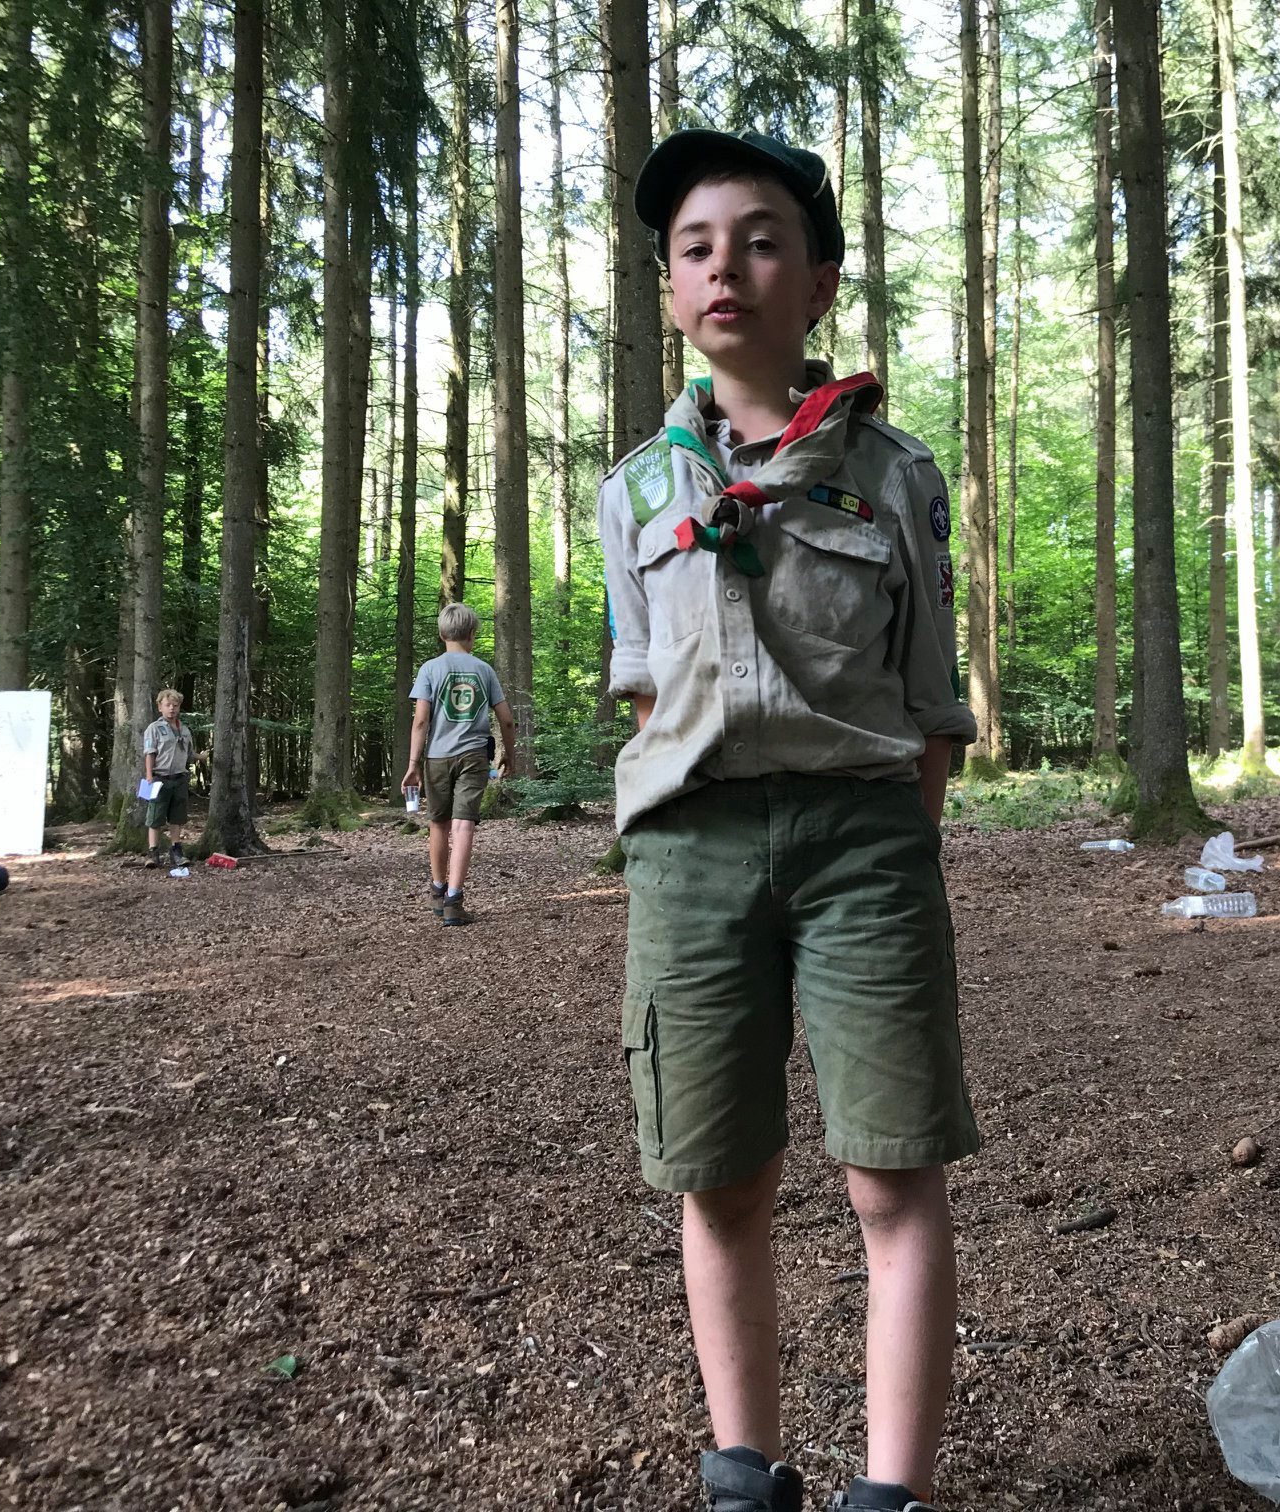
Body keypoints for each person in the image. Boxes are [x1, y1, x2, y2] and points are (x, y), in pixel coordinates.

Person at [600, 128, 977, 1512]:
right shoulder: (637, 489)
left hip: (863, 846)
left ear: (819, 281)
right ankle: (743, 1476)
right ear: (670, 289)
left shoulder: (897, 474)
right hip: (691, 856)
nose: (726, 269)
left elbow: (931, 699)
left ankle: (890, 1493)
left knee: (893, 1178)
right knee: (720, 1179)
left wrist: (900, 839)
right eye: (695, 248)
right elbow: (644, 689)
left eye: (761, 241)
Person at [401, 602, 516, 927]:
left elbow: (421, 721)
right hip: (474, 757)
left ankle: (437, 892)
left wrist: (413, 764)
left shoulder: (429, 669)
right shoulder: (484, 670)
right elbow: (506, 720)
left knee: (438, 823)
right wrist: (509, 754)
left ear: (441, 634)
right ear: (472, 634)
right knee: (464, 825)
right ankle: (454, 899)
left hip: (437, 758)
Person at [141, 688, 198, 868]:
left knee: (177, 817)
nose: (171, 709)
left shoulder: (185, 730)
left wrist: (201, 757)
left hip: (179, 778)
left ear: (179, 707)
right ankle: (153, 852)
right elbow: (150, 753)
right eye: (168, 705)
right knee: (155, 817)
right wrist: (149, 776)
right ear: (160, 707)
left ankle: (176, 851)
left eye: (175, 705)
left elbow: (190, 753)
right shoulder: (154, 728)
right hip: (159, 778)